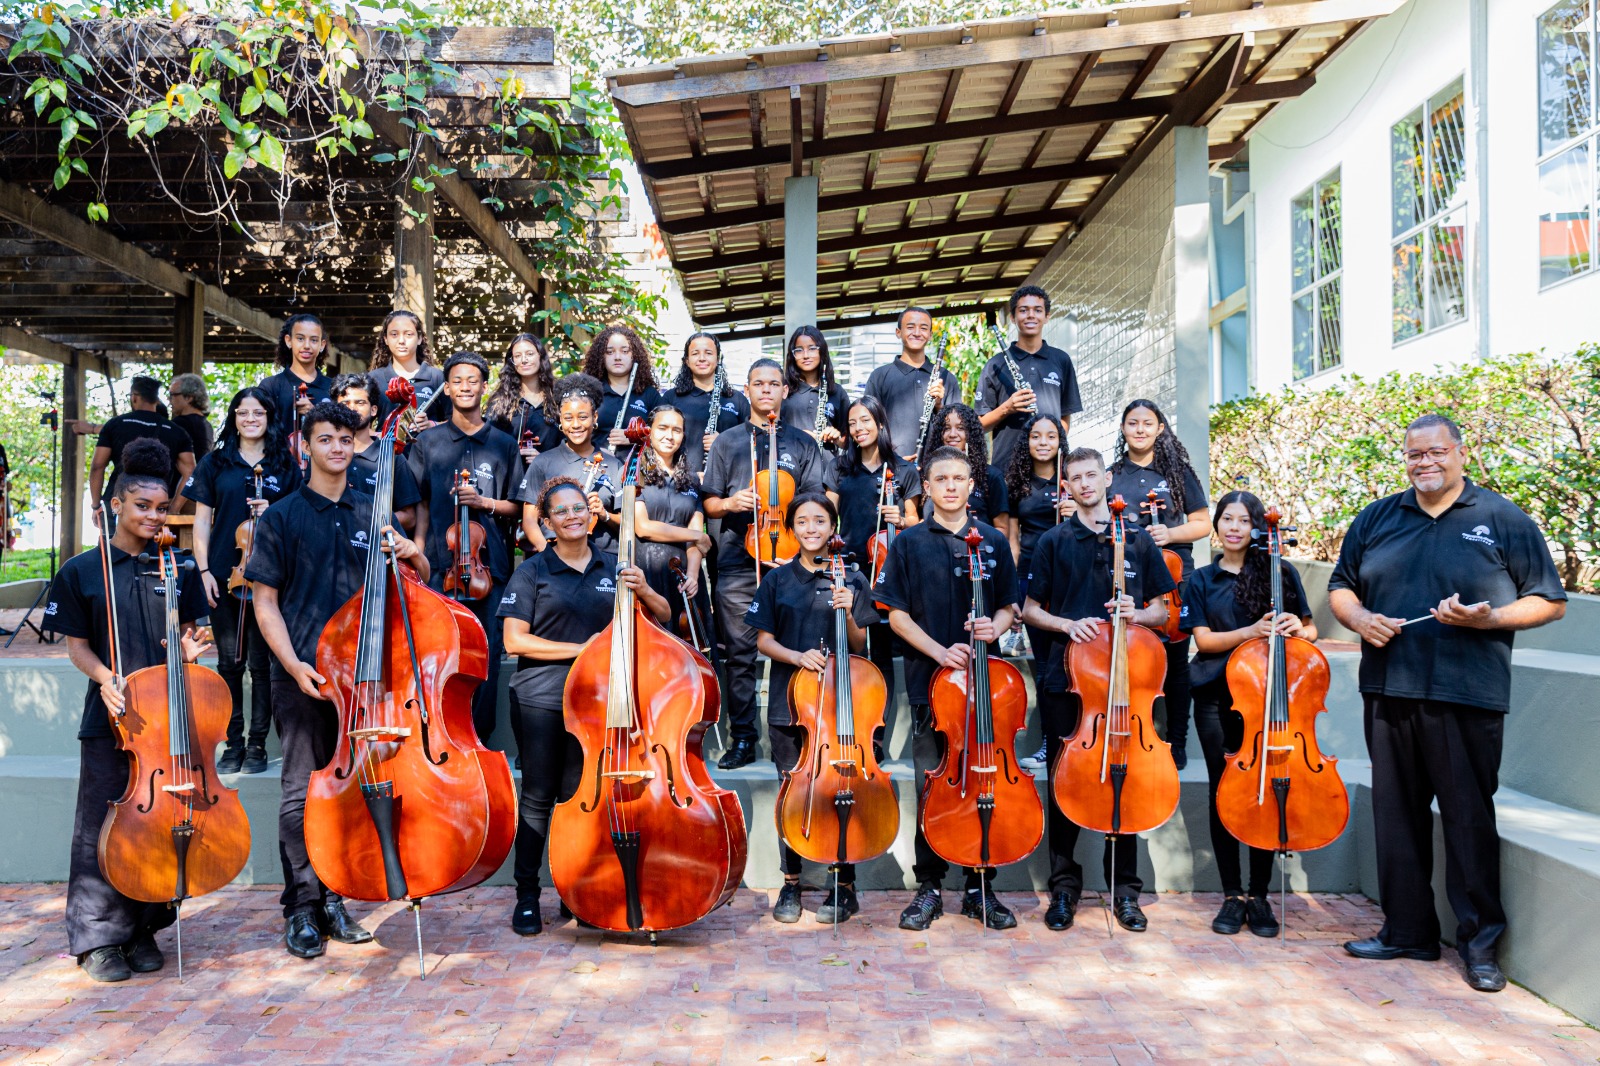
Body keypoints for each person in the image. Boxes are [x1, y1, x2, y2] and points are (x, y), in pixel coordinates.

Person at [1328, 413, 1566, 994]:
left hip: (1468, 694)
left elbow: (1550, 601)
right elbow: (1341, 587)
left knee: (1467, 821)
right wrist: (1361, 619)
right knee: (1397, 819)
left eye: (1436, 452)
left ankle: (1481, 945)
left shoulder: (1502, 519)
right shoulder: (1378, 517)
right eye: (1415, 455)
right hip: (1389, 690)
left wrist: (1491, 618)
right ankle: (1407, 931)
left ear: (1461, 454)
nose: (1425, 463)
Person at [247, 401, 426, 958]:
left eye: (346, 441)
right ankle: (301, 907)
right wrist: (293, 663)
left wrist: (412, 551)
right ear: (307, 447)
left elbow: (419, 584)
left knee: (349, 793)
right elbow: (264, 601)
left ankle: (334, 899)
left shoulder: (372, 513)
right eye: (326, 440)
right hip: (303, 676)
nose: (337, 449)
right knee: (302, 792)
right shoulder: (280, 516)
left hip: (365, 680)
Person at [44, 438, 209, 982]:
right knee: (101, 826)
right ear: (117, 504)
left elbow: (188, 634)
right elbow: (76, 645)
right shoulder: (82, 570)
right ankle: (97, 940)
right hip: (111, 716)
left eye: (162, 508)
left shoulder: (176, 566)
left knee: (157, 826)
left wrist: (187, 650)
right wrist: (103, 677)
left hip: (168, 719)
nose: (153, 516)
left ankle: (143, 928)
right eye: (142, 506)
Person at [498, 477, 671, 936]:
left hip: (599, 705)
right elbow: (514, 639)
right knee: (538, 796)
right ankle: (528, 895)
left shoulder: (615, 566)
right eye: (562, 511)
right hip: (541, 699)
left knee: (581, 800)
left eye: (580, 508)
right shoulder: (532, 571)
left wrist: (647, 592)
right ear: (547, 521)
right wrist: (583, 649)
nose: (573, 516)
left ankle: (575, 890)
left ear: (591, 515)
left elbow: (663, 618)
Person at [1020, 446, 1175, 934]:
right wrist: (1068, 625)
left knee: (1123, 779)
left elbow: (1165, 613)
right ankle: (1063, 889)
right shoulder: (1051, 541)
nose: (1085, 484)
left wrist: (1138, 614)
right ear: (1065, 486)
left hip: (1129, 686)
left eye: (1093, 475)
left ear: (1107, 479)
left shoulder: (1137, 541)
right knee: (1065, 782)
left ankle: (1124, 891)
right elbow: (1029, 609)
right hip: (1067, 680)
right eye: (1076, 478)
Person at [875, 445, 1019, 932]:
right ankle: (930, 887)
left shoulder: (993, 542)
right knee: (933, 787)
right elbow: (894, 614)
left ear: (971, 485)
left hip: (985, 688)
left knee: (987, 783)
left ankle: (981, 885)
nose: (952, 486)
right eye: (942, 479)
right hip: (931, 690)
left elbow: (1008, 606)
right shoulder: (910, 543)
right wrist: (940, 652)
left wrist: (994, 628)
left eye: (960, 478)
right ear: (929, 487)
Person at [1180, 489, 1317, 938]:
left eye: (1243, 520)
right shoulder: (1201, 579)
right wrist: (1250, 631)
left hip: (1268, 707)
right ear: (1217, 525)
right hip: (1216, 701)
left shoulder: (1280, 571)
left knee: (1266, 793)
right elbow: (1203, 641)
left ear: (1257, 526)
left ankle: (1259, 895)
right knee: (1227, 795)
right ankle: (1231, 895)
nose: (1234, 527)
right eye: (1227, 519)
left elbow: (1310, 629)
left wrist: (1300, 628)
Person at [749, 493, 878, 926]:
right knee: (793, 791)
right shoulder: (777, 580)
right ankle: (791, 881)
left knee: (845, 791)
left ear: (832, 526)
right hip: (792, 703)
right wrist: (796, 656)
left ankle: (845, 884)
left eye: (819, 520)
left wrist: (849, 612)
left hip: (842, 709)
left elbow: (861, 646)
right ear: (791, 528)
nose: (810, 528)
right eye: (801, 521)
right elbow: (762, 640)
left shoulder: (852, 578)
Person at [702, 359, 836, 769]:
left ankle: (805, 731)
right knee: (740, 654)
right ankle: (743, 738)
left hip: (791, 560)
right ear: (747, 390)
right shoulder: (727, 441)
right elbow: (708, 501)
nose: (766, 391)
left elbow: (817, 501)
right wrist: (730, 503)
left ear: (784, 391)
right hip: (739, 562)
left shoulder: (801, 442)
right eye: (758, 384)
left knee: (803, 648)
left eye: (774, 384)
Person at [406, 351, 524, 743]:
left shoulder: (504, 443)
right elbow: (420, 504)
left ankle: (481, 738)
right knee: (443, 653)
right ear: (447, 387)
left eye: (473, 380)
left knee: (487, 655)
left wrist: (483, 503)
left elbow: (517, 506)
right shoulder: (428, 442)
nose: (465, 387)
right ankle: (444, 733)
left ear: (483, 386)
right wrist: (420, 555)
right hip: (442, 569)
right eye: (457, 380)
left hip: (490, 570)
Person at [185, 387, 302, 775]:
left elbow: (298, 514)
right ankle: (232, 742)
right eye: (242, 412)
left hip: (269, 576)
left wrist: (275, 509)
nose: (250, 419)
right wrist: (203, 572)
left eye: (258, 413)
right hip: (225, 572)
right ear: (233, 417)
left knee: (261, 663)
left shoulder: (285, 463)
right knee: (230, 663)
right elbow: (202, 521)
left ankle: (257, 745)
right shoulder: (216, 462)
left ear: (269, 418)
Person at [1109, 399, 1211, 769]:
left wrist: (1170, 533)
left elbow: (1202, 523)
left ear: (1160, 429)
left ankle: (1177, 740)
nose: (1139, 429)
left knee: (1175, 661)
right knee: (1129, 657)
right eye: (1132, 423)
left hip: (1172, 575)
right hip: (1126, 575)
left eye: (1147, 423)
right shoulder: (1111, 474)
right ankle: (1135, 735)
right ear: (1123, 429)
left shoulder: (1178, 471)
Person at [831, 396, 918, 735]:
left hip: (888, 570)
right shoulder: (841, 468)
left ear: (880, 423)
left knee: (881, 656)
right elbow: (827, 513)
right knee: (853, 650)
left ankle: (876, 737)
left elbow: (916, 519)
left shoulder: (903, 469)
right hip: (851, 569)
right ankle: (847, 728)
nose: (858, 428)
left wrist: (902, 519)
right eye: (852, 423)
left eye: (865, 420)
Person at [1003, 412, 1071, 767]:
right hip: (1031, 575)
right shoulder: (1018, 483)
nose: (1043, 442)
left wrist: (1075, 510)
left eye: (1050, 436)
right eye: (1036, 436)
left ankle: (1076, 741)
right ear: (1026, 442)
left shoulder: (1071, 480)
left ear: (1060, 440)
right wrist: (1013, 593)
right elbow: (1013, 540)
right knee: (1044, 666)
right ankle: (1050, 743)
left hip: (1069, 577)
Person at [976, 285, 1083, 471]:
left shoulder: (1061, 360)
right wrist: (1007, 408)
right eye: (1023, 310)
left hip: (1049, 468)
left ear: (1047, 317)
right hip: (1007, 467)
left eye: (1038, 310)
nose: (1031, 315)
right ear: (1013, 317)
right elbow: (979, 425)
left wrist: (1052, 444)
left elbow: (1065, 415)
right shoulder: (995, 364)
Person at [516, 374, 623, 554]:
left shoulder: (614, 465)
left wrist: (604, 515)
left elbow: (627, 523)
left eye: (582, 417)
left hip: (603, 561)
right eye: (568, 418)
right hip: (553, 559)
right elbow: (529, 521)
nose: (575, 425)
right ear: (560, 419)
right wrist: (549, 556)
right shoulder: (543, 462)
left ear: (594, 417)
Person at [631, 405, 712, 612]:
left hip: (684, 573)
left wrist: (693, 575)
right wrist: (697, 535)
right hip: (648, 570)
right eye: (663, 428)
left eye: (676, 430)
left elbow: (695, 532)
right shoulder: (634, 470)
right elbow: (642, 527)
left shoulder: (692, 478)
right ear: (649, 430)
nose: (670, 436)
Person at [89, 375, 196, 524]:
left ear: (134, 397)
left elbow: (97, 466)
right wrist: (173, 508)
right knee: (154, 547)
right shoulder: (176, 431)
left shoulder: (115, 425)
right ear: (156, 400)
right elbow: (191, 471)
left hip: (118, 501)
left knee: (112, 546)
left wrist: (96, 505)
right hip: (156, 505)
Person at [863, 307, 962, 460]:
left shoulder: (947, 378)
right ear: (898, 332)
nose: (917, 333)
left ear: (930, 335)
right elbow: (869, 426)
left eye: (923, 328)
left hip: (938, 468)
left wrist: (939, 406)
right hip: (892, 467)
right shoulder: (879, 376)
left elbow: (958, 430)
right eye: (910, 327)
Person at [331, 372, 422, 533]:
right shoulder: (326, 454)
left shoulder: (393, 457)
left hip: (379, 551)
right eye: (345, 403)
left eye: (360, 402)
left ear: (373, 410)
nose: (352, 408)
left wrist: (369, 519)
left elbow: (410, 518)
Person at [661, 331, 750, 476]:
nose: (702, 358)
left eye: (708, 353)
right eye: (695, 353)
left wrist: (724, 442)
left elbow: (751, 441)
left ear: (718, 358)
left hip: (727, 479)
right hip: (682, 481)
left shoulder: (737, 399)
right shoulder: (671, 398)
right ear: (687, 361)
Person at [918, 404, 1008, 529]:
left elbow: (1002, 528)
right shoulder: (927, 473)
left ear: (971, 433)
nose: (952, 434)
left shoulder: (991, 476)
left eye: (960, 428)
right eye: (946, 428)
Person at [258, 313, 333, 444]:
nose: (307, 346)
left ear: (322, 345)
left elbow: (343, 431)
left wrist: (316, 414)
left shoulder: (333, 387)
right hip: (280, 463)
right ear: (288, 341)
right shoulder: (271, 386)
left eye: (314, 340)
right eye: (300, 339)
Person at [583, 325, 659, 452]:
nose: (617, 357)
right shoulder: (589, 392)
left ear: (634, 355)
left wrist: (635, 437)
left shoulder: (649, 394)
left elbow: (665, 433)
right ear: (601, 357)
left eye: (625, 351)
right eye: (610, 352)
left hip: (636, 469)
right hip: (596, 466)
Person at [486, 333, 559, 459]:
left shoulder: (556, 397)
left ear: (540, 356)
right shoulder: (501, 401)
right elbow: (490, 444)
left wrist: (543, 460)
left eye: (530, 354)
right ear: (512, 361)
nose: (524, 360)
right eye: (518, 356)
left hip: (550, 474)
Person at [369, 310, 446, 423]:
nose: (401, 341)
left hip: (428, 441)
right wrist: (382, 436)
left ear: (419, 338)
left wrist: (432, 425)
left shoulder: (437, 377)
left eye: (408, 334)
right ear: (386, 339)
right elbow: (359, 427)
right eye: (394, 334)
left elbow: (455, 422)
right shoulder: (373, 378)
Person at [780, 326, 849, 450]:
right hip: (791, 463)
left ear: (821, 351)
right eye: (799, 350)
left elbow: (849, 443)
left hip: (827, 467)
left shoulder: (837, 392)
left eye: (812, 349)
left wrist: (837, 439)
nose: (806, 355)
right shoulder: (783, 390)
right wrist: (799, 436)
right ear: (793, 355)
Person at [167, 373, 214, 458]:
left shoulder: (179, 424)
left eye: (172, 395)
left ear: (188, 397)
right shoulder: (208, 425)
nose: (169, 399)